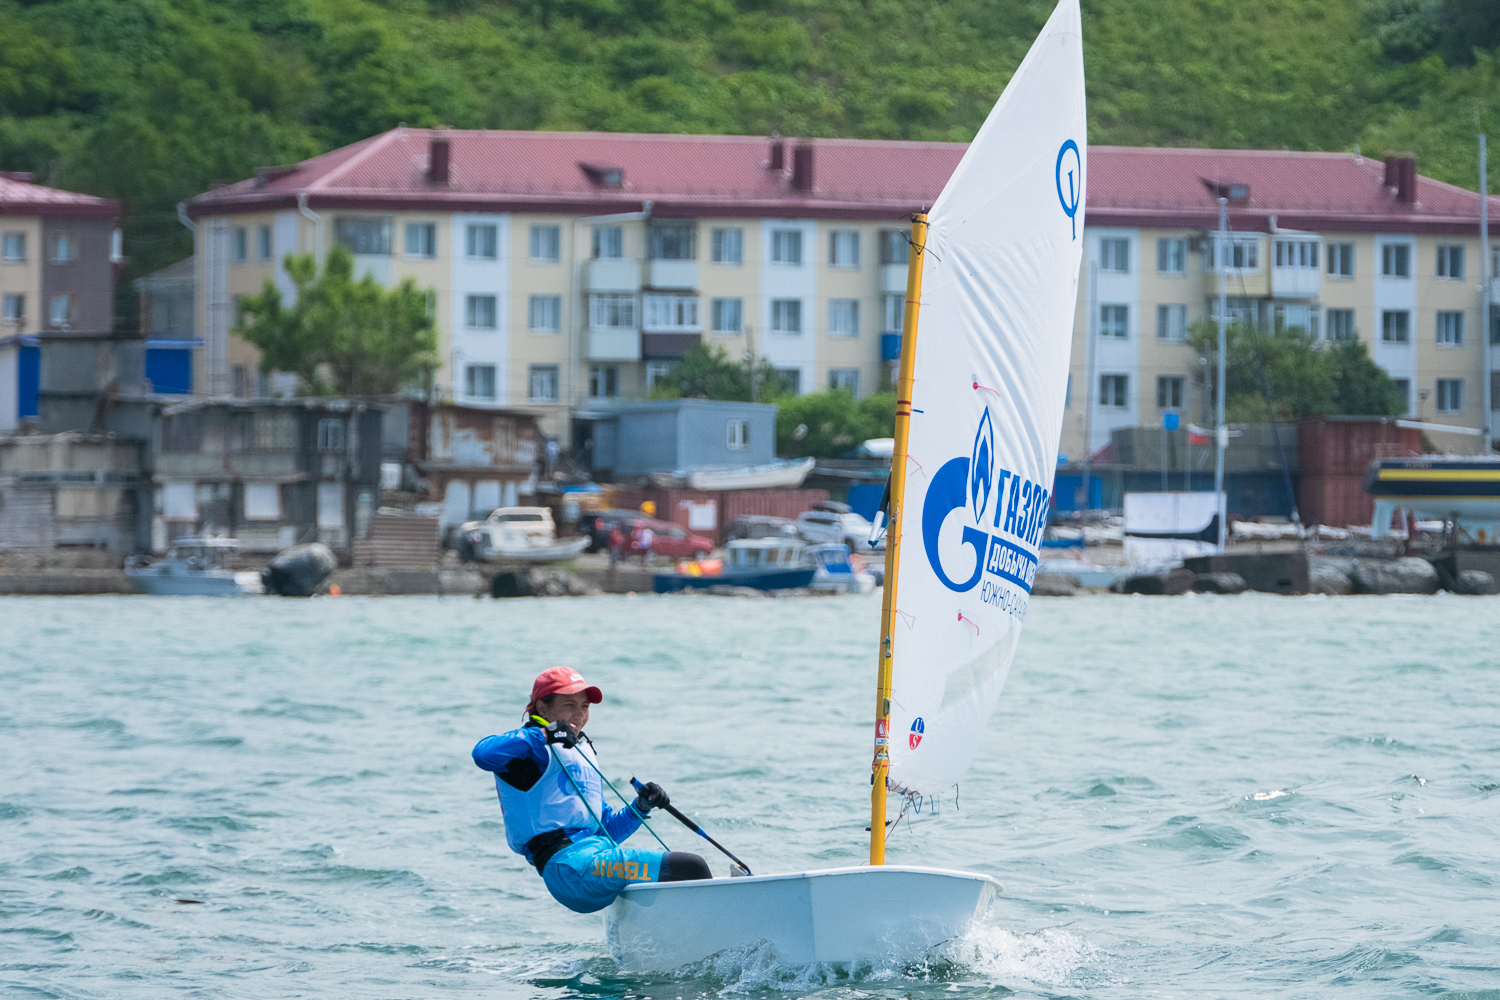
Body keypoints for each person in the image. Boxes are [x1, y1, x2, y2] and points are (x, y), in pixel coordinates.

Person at [472, 667, 711, 913]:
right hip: (568, 866)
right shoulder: (531, 749)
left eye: (585, 706)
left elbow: (605, 830)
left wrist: (640, 807)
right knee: (691, 866)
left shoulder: (578, 752)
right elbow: (482, 754)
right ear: (542, 707)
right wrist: (545, 733)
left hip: (594, 861)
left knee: (676, 876)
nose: (579, 714)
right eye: (569, 705)